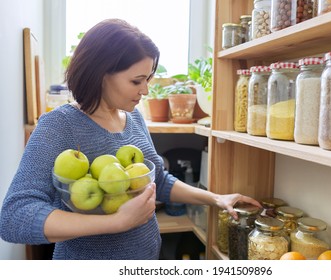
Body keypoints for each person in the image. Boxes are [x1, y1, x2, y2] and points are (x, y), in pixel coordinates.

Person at [0, 19, 260, 260]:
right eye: (137, 80)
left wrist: (216, 198)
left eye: (148, 79)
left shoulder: (133, 119)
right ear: (101, 73)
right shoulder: (59, 125)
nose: (145, 90)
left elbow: (157, 178)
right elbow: (13, 218)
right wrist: (116, 222)